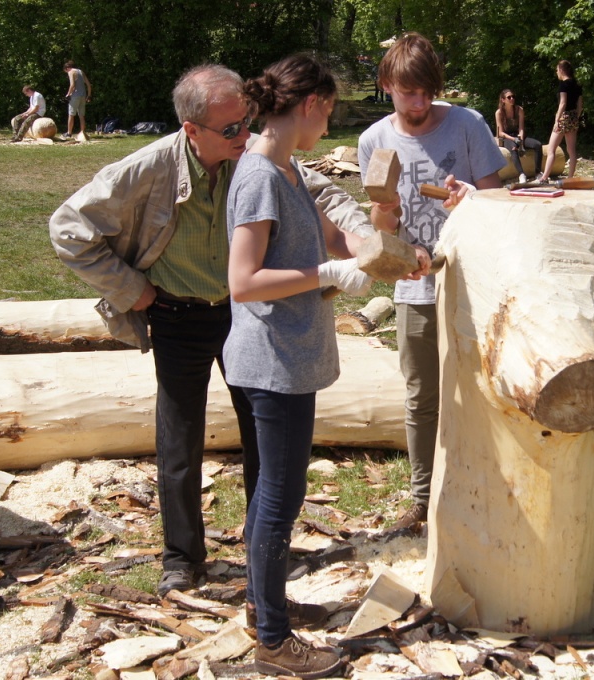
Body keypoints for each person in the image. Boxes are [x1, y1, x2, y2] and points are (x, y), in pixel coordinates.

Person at [49, 64, 372, 608]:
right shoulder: (149, 168)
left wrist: (363, 241)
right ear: (190, 130)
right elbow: (68, 228)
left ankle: (264, 552)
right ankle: (182, 559)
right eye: (230, 130)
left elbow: (323, 196)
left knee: (263, 439)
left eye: (246, 122)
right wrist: (136, 292)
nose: (244, 136)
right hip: (177, 313)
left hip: (246, 317)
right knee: (179, 441)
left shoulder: (257, 159)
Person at [224, 53, 374, 679]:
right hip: (272, 364)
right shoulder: (259, 175)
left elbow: (329, 240)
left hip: (291, 357)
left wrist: (377, 254)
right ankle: (275, 643)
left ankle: (266, 609)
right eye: (329, 112)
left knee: (273, 495)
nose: (328, 125)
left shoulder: (288, 169)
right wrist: (329, 274)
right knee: (279, 501)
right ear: (311, 104)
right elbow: (244, 280)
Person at [358, 32, 505, 532]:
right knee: (421, 396)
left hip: (473, 283)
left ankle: (485, 489)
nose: (418, 102)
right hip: (414, 287)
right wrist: (385, 211)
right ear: (386, 86)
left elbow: (499, 200)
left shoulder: (467, 125)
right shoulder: (373, 141)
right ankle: (423, 502)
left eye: (426, 91)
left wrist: (474, 199)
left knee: (482, 389)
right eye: (406, 92)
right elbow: (383, 231)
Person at [537, 60, 583, 183]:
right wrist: (576, 117)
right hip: (573, 117)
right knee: (572, 151)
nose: (557, 72)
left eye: (557, 70)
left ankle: (544, 177)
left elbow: (562, 103)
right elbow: (580, 106)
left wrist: (557, 120)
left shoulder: (563, 85)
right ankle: (570, 178)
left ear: (562, 70)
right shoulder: (577, 85)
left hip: (563, 117)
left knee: (551, 149)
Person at [494, 88, 543, 184]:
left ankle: (537, 172)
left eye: (513, 96)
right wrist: (514, 139)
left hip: (518, 135)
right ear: (503, 100)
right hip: (506, 137)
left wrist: (520, 137)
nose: (512, 99)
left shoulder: (519, 109)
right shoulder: (499, 113)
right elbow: (500, 133)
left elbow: (521, 128)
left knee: (537, 144)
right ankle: (521, 174)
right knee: (513, 148)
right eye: (509, 97)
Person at [63, 60, 92, 138]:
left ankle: (69, 133)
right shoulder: (80, 71)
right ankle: (82, 133)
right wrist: (89, 95)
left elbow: (72, 85)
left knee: (71, 114)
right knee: (81, 115)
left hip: (75, 96)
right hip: (83, 95)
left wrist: (68, 95)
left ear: (67, 68)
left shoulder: (71, 72)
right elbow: (89, 85)